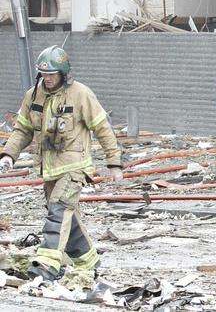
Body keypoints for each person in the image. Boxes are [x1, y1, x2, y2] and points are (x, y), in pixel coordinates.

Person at [0, 46, 123, 282]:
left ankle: (46, 265)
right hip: (50, 170)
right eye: (43, 74)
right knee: (67, 217)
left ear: (64, 74)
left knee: (58, 208)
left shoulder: (81, 94)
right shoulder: (32, 96)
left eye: (52, 74)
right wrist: (8, 155)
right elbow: (22, 130)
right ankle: (88, 261)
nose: (47, 79)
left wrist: (114, 163)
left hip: (75, 167)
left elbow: (102, 128)